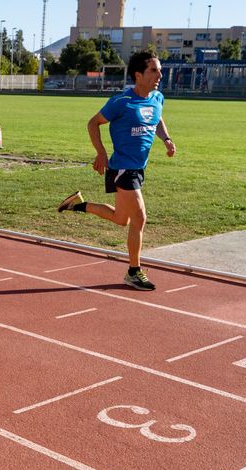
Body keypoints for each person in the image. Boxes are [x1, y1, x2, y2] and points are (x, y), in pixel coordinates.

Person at [58, 51, 177, 291]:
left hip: (139, 168)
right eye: (154, 70)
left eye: (160, 70)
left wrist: (166, 139)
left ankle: (78, 204)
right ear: (138, 75)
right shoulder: (121, 102)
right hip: (122, 168)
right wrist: (101, 153)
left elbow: (157, 119)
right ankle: (134, 271)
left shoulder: (157, 98)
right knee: (140, 217)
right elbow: (93, 123)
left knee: (121, 219)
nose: (160, 75)